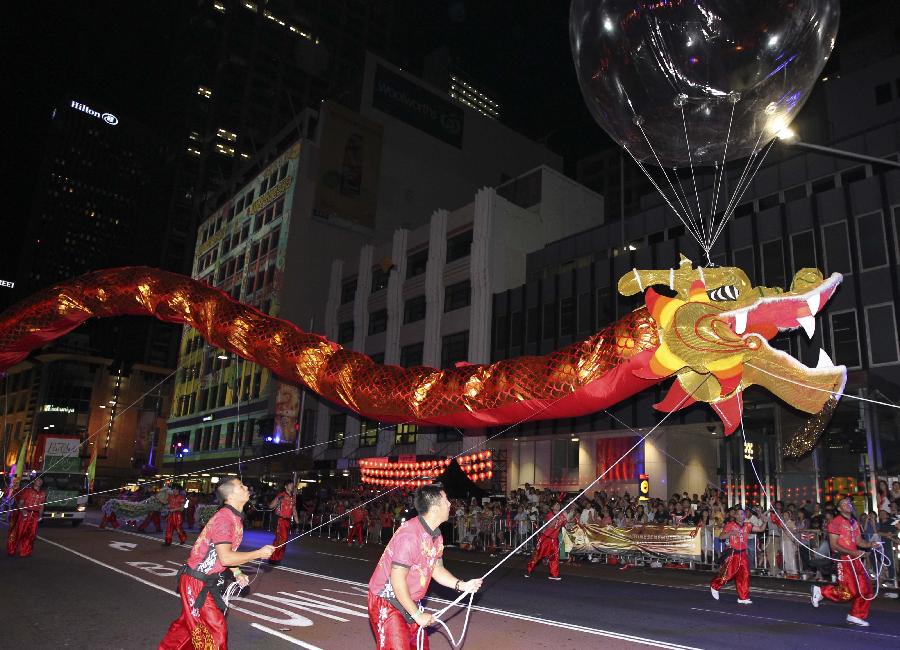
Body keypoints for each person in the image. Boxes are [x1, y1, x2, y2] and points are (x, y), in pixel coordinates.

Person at [159, 477, 274, 649]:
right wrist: (259, 553)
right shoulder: (225, 519)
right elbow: (226, 557)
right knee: (215, 630)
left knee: (186, 628)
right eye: (241, 486)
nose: (246, 487)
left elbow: (223, 553)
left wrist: (237, 572)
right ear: (231, 494)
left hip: (204, 582)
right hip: (197, 582)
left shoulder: (234, 517)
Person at [367, 484, 482, 650]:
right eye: (446, 501)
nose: (450, 504)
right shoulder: (409, 536)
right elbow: (397, 581)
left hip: (410, 598)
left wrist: (462, 585)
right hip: (387, 600)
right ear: (434, 509)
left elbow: (436, 569)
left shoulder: (436, 535)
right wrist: (417, 614)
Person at [811, 498, 880, 626]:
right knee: (849, 591)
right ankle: (822, 591)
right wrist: (853, 553)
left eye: (849, 503)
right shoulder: (835, 522)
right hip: (843, 559)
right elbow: (834, 546)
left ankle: (856, 615)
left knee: (866, 589)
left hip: (855, 559)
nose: (848, 505)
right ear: (839, 508)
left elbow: (859, 542)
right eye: (844, 503)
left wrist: (870, 544)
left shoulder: (854, 522)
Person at [710, 507, 766, 604]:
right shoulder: (730, 525)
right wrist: (731, 533)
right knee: (728, 574)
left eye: (742, 514)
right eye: (739, 514)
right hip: (733, 553)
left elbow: (761, 529)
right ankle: (715, 586)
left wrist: (765, 522)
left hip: (743, 553)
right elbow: (721, 537)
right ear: (735, 515)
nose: (741, 515)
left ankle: (743, 597)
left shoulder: (748, 525)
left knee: (744, 575)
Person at [524, 501, 568, 581]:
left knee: (555, 557)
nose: (557, 506)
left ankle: (553, 574)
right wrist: (556, 518)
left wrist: (566, 517)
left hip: (554, 540)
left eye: (558, 505)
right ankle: (529, 570)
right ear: (552, 507)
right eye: (556, 504)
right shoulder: (550, 515)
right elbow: (549, 525)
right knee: (538, 555)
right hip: (546, 538)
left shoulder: (561, 515)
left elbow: (566, 525)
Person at [6, 477, 46, 557]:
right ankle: (11, 549)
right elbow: (20, 503)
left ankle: (25, 551)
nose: (39, 482)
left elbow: (41, 506)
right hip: (25, 514)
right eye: (38, 480)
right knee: (19, 532)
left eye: (41, 480)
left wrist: (40, 515)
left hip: (35, 516)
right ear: (34, 481)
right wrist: (23, 511)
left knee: (31, 535)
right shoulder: (27, 491)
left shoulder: (43, 493)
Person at [267, 480, 299, 564]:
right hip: (280, 519)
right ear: (286, 486)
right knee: (281, 539)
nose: (292, 486)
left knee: (284, 540)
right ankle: (273, 558)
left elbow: (294, 510)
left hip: (287, 521)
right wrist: (278, 500)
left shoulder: (293, 497)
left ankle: (277, 558)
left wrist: (297, 522)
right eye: (290, 485)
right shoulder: (281, 495)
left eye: (293, 485)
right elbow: (271, 506)